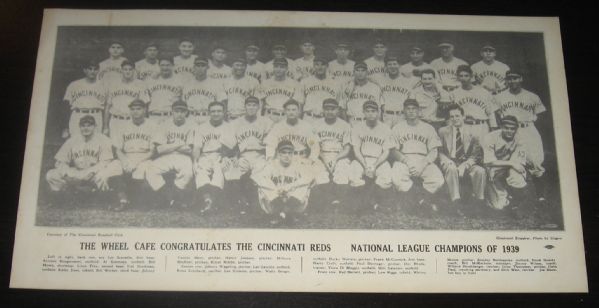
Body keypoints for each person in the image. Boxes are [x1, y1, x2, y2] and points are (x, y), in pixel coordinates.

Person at [494, 69, 546, 202]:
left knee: (535, 162)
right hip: (510, 131)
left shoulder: (532, 96)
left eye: (515, 78)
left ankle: (540, 196)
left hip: (528, 128)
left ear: (521, 79)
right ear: (506, 80)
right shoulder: (499, 97)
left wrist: (531, 126)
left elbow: (540, 114)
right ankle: (512, 197)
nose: (512, 81)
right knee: (509, 160)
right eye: (510, 78)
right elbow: (497, 116)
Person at [45, 115, 114, 207]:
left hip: (94, 172)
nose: (86, 128)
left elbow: (105, 162)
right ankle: (62, 197)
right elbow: (60, 161)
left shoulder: (103, 139)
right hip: (76, 171)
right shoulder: (72, 140)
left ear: (95, 126)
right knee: (51, 174)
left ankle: (100, 199)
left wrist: (92, 172)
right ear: (79, 127)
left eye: (89, 125)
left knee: (105, 175)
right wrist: (66, 174)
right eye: (83, 125)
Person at [391, 99, 444, 215]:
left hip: (424, 159)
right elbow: (394, 150)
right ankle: (421, 202)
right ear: (404, 111)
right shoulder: (397, 128)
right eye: (408, 109)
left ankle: (417, 202)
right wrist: (406, 161)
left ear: (419, 111)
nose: (411, 111)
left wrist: (423, 163)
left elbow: (434, 150)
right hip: (404, 158)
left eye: (414, 109)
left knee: (437, 180)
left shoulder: (428, 128)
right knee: (397, 178)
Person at [104, 99, 157, 211]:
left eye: (138, 109)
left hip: (144, 157)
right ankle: (123, 199)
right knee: (113, 167)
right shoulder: (122, 125)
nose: (135, 112)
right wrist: (125, 161)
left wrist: (136, 163)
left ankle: (137, 201)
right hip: (126, 156)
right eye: (132, 109)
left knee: (142, 171)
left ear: (145, 110)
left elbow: (152, 151)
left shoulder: (153, 125)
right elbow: (118, 149)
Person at [482, 115, 538, 218]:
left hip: (510, 167)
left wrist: (511, 165)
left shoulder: (521, 138)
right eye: (506, 128)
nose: (509, 131)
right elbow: (489, 162)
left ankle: (521, 201)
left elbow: (517, 162)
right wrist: (506, 165)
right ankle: (504, 197)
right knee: (498, 206)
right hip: (494, 168)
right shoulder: (489, 137)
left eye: (512, 129)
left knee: (516, 175)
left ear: (516, 129)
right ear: (501, 127)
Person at [252, 140, 316, 225]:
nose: (287, 156)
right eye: (284, 152)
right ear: (278, 154)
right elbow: (255, 177)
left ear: (293, 154)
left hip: (292, 201)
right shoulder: (272, 164)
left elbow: (310, 177)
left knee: (306, 184)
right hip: (274, 201)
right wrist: (276, 189)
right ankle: (280, 213)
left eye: (290, 153)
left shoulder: (297, 164)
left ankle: (286, 213)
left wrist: (289, 186)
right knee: (262, 182)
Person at [437, 104, 486, 215]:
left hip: (466, 161)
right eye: (452, 117)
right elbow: (439, 151)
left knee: (480, 171)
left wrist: (465, 165)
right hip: (450, 160)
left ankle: (479, 203)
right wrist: (448, 161)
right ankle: (456, 202)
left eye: (457, 116)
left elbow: (476, 155)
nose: (455, 119)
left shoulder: (473, 132)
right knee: (452, 169)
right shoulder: (442, 131)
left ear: (463, 116)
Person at [145, 100, 195, 208]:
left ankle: (176, 198)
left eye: (182, 111)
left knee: (188, 173)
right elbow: (159, 149)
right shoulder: (164, 124)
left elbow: (190, 149)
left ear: (186, 112)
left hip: (183, 157)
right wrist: (180, 144)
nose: (180, 114)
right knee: (151, 170)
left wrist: (169, 145)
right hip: (166, 156)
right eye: (177, 111)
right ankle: (168, 197)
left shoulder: (192, 125)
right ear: (172, 112)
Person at [348, 100, 395, 213]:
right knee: (353, 176)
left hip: (379, 160)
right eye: (367, 111)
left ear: (378, 112)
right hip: (362, 159)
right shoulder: (357, 127)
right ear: (363, 113)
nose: (370, 114)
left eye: (373, 111)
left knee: (386, 178)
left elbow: (386, 152)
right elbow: (356, 150)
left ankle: (373, 202)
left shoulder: (385, 129)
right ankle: (366, 203)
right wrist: (365, 166)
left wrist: (374, 166)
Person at [230, 96, 274, 211]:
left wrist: (269, 158)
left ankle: (257, 202)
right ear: (244, 107)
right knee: (232, 171)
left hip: (259, 154)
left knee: (260, 175)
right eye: (249, 105)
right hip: (243, 155)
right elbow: (231, 143)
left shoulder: (266, 122)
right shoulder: (236, 123)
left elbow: (270, 143)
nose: (251, 107)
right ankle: (240, 200)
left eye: (254, 105)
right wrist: (234, 156)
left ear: (259, 107)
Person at [192, 101, 236, 213]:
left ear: (224, 112)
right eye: (213, 111)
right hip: (205, 155)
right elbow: (197, 147)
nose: (216, 113)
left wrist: (225, 157)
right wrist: (195, 161)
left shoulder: (229, 126)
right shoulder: (201, 127)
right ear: (208, 113)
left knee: (219, 171)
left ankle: (211, 201)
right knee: (200, 171)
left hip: (221, 155)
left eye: (219, 111)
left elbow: (230, 147)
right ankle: (208, 199)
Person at [312, 98, 353, 211]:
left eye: (332, 109)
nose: (330, 112)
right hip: (321, 155)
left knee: (342, 170)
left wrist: (335, 159)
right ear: (323, 110)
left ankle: (339, 202)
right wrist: (323, 159)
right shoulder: (315, 125)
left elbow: (347, 148)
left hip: (339, 155)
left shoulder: (345, 125)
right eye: (327, 109)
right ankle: (326, 202)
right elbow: (314, 146)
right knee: (319, 173)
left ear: (338, 110)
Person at [450, 65, 499, 140]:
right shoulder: (454, 93)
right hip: (464, 126)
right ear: (458, 77)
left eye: (466, 76)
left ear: (471, 76)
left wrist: (493, 129)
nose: (463, 78)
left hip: (481, 125)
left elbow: (491, 113)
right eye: (461, 76)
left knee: (482, 150)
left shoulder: (483, 92)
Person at [264, 99, 321, 163]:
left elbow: (314, 146)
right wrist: (270, 159)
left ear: (299, 111)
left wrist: (311, 160)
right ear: (285, 111)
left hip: (301, 158)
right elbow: (271, 145)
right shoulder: (278, 127)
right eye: (288, 110)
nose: (291, 112)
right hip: (283, 160)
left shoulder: (307, 127)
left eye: (294, 110)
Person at [62, 59, 107, 138]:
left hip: (96, 115)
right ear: (85, 70)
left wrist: (105, 125)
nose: (92, 71)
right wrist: (65, 127)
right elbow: (66, 105)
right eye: (90, 69)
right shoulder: (74, 85)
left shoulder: (103, 85)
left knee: (95, 142)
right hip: (78, 114)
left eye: (95, 69)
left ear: (98, 71)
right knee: (76, 142)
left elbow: (107, 106)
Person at [105, 60, 148, 137]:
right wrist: (105, 126)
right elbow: (108, 106)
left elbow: (144, 106)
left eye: (130, 69)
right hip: (116, 120)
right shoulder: (113, 84)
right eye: (125, 69)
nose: (128, 72)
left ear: (134, 71)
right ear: (121, 70)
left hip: (132, 120)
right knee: (114, 146)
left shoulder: (140, 84)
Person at [181, 57, 227, 125]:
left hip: (208, 117)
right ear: (194, 67)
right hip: (191, 117)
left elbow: (222, 102)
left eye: (203, 66)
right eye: (198, 66)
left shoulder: (216, 83)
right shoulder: (187, 83)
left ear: (207, 67)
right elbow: (183, 103)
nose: (200, 68)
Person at [339, 62, 383, 126]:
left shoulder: (375, 87)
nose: (360, 73)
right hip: (352, 121)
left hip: (369, 122)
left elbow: (378, 109)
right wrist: (346, 124)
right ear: (353, 72)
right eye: (357, 70)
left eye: (363, 70)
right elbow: (343, 108)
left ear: (367, 72)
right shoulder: (347, 87)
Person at [259, 58, 303, 123]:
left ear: (287, 69)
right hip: (269, 115)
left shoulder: (295, 84)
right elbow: (260, 103)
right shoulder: (265, 83)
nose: (278, 69)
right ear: (273, 68)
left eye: (282, 67)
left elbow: (299, 105)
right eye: (276, 67)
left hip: (286, 116)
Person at [300, 57, 340, 123]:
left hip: (327, 119)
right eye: (317, 64)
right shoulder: (305, 81)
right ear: (313, 66)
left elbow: (339, 105)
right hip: (309, 118)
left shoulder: (335, 83)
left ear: (327, 66)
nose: (320, 67)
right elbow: (300, 104)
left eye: (322, 64)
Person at [145, 57, 184, 124]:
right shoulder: (151, 80)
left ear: (173, 66)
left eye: (168, 65)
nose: (165, 68)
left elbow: (182, 99)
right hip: (153, 116)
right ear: (159, 66)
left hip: (170, 117)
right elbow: (146, 100)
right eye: (162, 65)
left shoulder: (179, 80)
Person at [379, 56, 415, 127]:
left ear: (400, 65)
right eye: (389, 64)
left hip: (401, 116)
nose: (392, 66)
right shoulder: (381, 80)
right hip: (386, 116)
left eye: (395, 64)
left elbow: (411, 101)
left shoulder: (408, 81)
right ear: (386, 66)